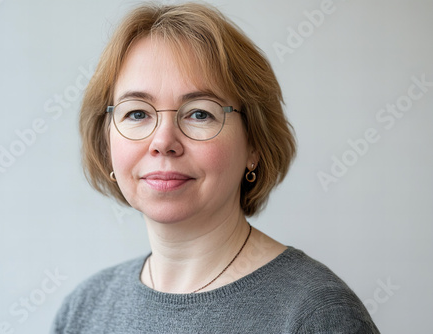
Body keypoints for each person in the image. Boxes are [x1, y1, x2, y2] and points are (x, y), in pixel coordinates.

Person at [52, 2, 380, 333]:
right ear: (106, 144)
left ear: (254, 143)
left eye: (199, 113)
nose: (163, 141)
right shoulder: (83, 311)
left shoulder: (316, 314)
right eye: (137, 113)